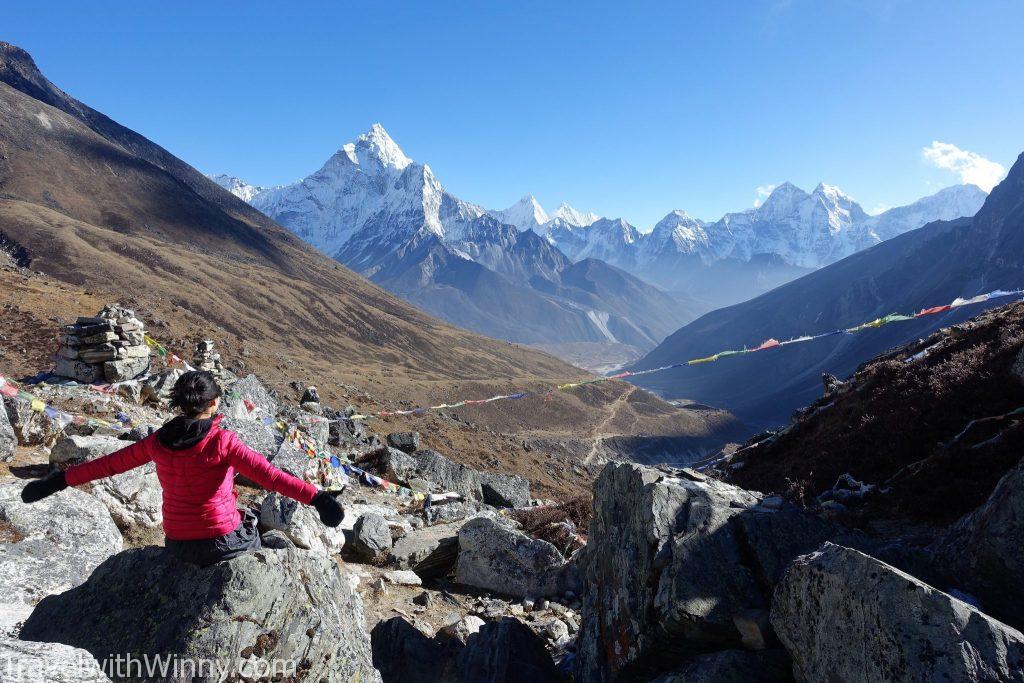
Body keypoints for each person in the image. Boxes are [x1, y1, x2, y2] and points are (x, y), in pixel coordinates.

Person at [20, 370, 344, 566]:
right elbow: (271, 477)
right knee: (266, 543)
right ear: (215, 403)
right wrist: (319, 499)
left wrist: (58, 481)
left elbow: (108, 465)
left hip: (176, 542)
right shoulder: (224, 442)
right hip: (221, 541)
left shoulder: (158, 441)